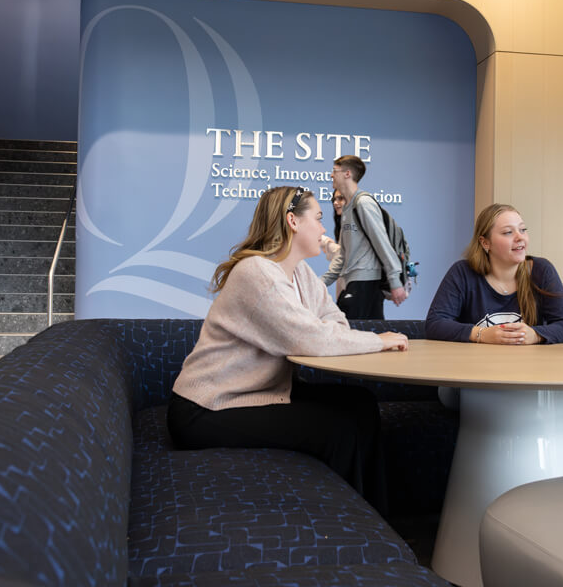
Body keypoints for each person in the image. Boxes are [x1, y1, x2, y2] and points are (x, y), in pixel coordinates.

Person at [168, 185, 408, 515]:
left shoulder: (300, 274)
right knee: (338, 430)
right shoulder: (256, 272)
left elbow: (333, 323)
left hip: (260, 391)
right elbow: (311, 339)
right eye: (319, 219)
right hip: (207, 408)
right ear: (292, 221)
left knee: (361, 403)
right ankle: (346, 526)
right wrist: (378, 340)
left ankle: (378, 516)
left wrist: (323, 334)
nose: (325, 228)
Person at [425, 203, 563, 452]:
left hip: (528, 378)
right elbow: (435, 324)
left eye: (522, 229)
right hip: (469, 380)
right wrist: (481, 334)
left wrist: (536, 334)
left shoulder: (540, 270)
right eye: (508, 232)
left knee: (562, 404)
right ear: (485, 242)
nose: (520, 238)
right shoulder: (462, 273)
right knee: (552, 402)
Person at [322, 155, 407, 319]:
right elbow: (343, 255)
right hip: (355, 283)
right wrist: (321, 282)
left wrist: (395, 281)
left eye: (334, 171)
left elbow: (382, 243)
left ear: (347, 173)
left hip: (367, 284)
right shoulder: (347, 208)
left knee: (348, 333)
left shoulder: (363, 203)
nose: (331, 175)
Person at [320, 191, 346, 298]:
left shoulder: (356, 224)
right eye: (334, 200)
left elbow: (343, 256)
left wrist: (323, 241)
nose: (335, 203)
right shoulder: (343, 223)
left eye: (340, 198)